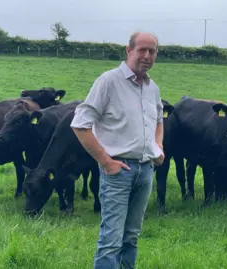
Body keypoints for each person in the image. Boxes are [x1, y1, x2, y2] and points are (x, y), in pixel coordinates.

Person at [70, 31, 164, 269]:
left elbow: (159, 119)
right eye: (141, 49)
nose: (146, 55)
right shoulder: (108, 81)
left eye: (152, 51)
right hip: (118, 170)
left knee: (131, 236)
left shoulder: (153, 88)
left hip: (145, 170)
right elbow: (80, 124)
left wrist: (158, 147)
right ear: (128, 50)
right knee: (111, 240)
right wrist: (105, 161)